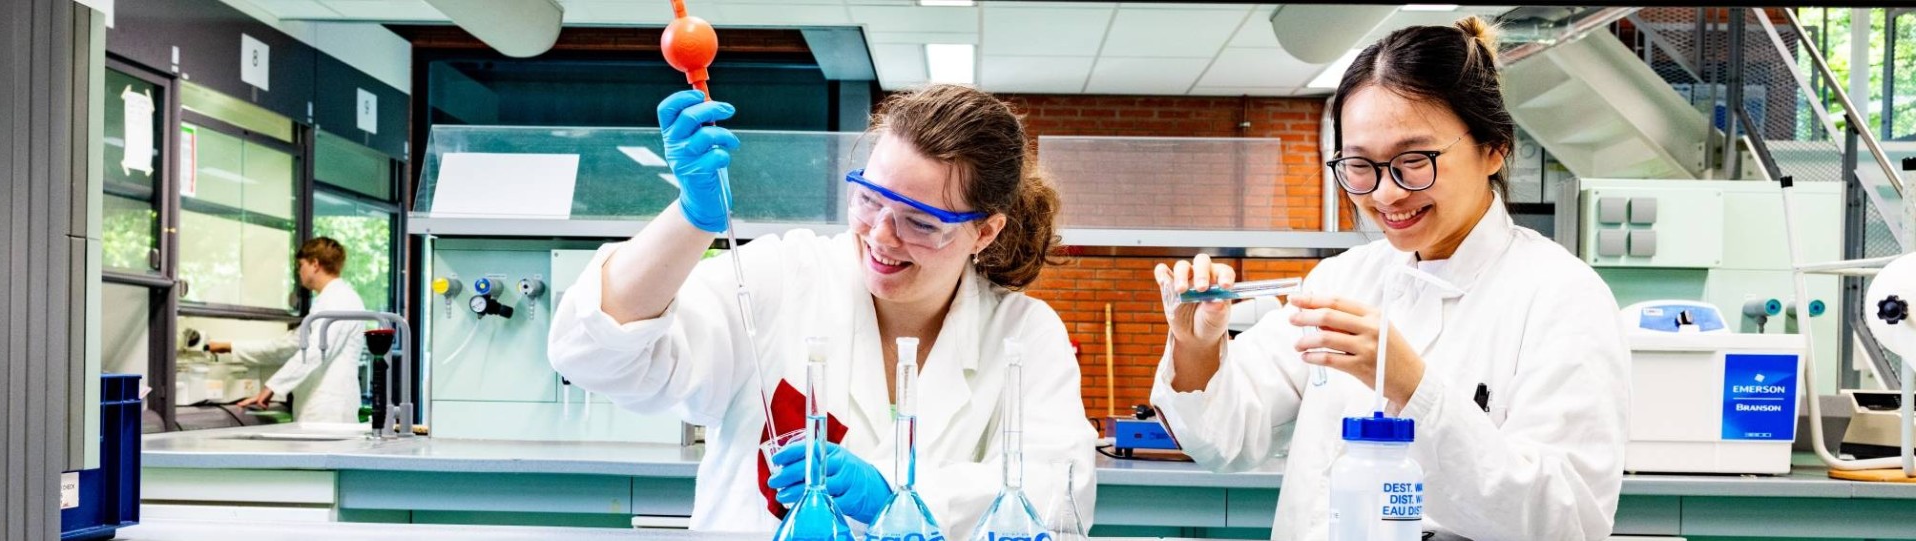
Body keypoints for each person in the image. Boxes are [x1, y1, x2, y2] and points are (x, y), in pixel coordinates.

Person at [1149, 17, 1631, 541]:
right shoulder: (1342, 281)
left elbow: (1566, 520)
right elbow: (1228, 441)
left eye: (1413, 161)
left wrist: (1414, 387)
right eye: (1360, 165)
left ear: (1494, 147)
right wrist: (1195, 343)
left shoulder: (1561, 297)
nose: (1384, 195)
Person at [548, 85, 1097, 537]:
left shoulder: (1024, 334)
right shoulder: (783, 276)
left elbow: (1061, 493)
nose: (881, 237)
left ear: (984, 231)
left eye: (921, 222)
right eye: (869, 199)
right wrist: (691, 219)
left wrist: (894, 492)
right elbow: (595, 357)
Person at [207, 237, 368, 424]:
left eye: (301, 265)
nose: (299, 272)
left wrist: (272, 387)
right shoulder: (327, 301)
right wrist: (229, 347)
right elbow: (288, 345)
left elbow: (316, 351)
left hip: (330, 410)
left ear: (315, 264)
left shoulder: (340, 300)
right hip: (317, 408)